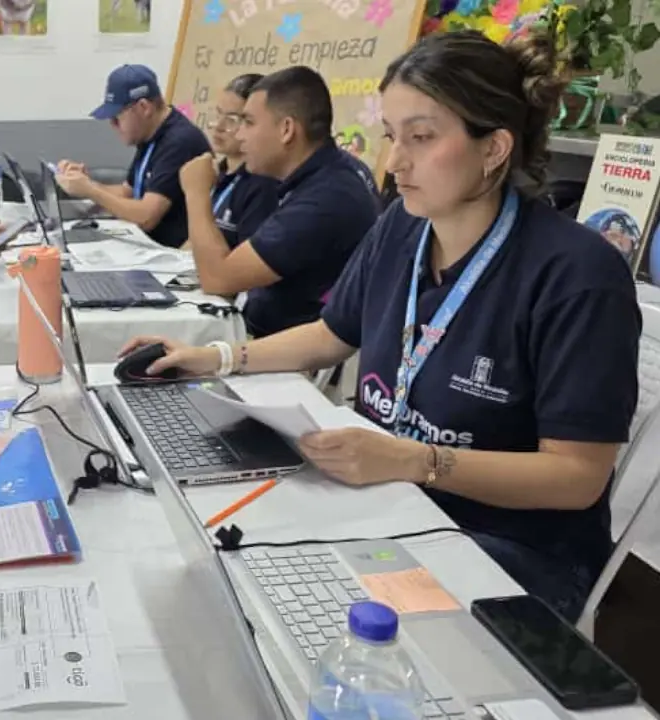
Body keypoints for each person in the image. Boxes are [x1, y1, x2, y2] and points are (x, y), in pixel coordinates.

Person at [121, 30, 641, 621]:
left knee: (307, 612)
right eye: (392, 136)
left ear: (494, 148)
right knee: (214, 570)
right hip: (391, 503)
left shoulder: (577, 274)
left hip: (509, 548)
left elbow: (576, 478)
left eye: (421, 138)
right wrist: (215, 358)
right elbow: (330, 334)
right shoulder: (403, 226)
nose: (394, 162)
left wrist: (415, 461)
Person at [179, 66, 379, 336]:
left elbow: (218, 279)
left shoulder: (326, 199)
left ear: (286, 129)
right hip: (268, 330)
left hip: (280, 350)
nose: (240, 135)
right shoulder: (329, 172)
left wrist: (196, 193)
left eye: (248, 122)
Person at [55, 64, 210, 249]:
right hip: (148, 245)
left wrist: (91, 190)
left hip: (173, 254)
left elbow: (146, 218)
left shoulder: (179, 142)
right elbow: (127, 193)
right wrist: (83, 182)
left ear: (144, 107)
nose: (112, 125)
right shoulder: (149, 135)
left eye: (117, 117)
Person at [175, 74, 278, 254]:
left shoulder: (262, 183)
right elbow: (193, 243)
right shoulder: (216, 170)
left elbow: (239, 269)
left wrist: (195, 193)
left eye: (232, 119)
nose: (218, 126)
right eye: (218, 114)